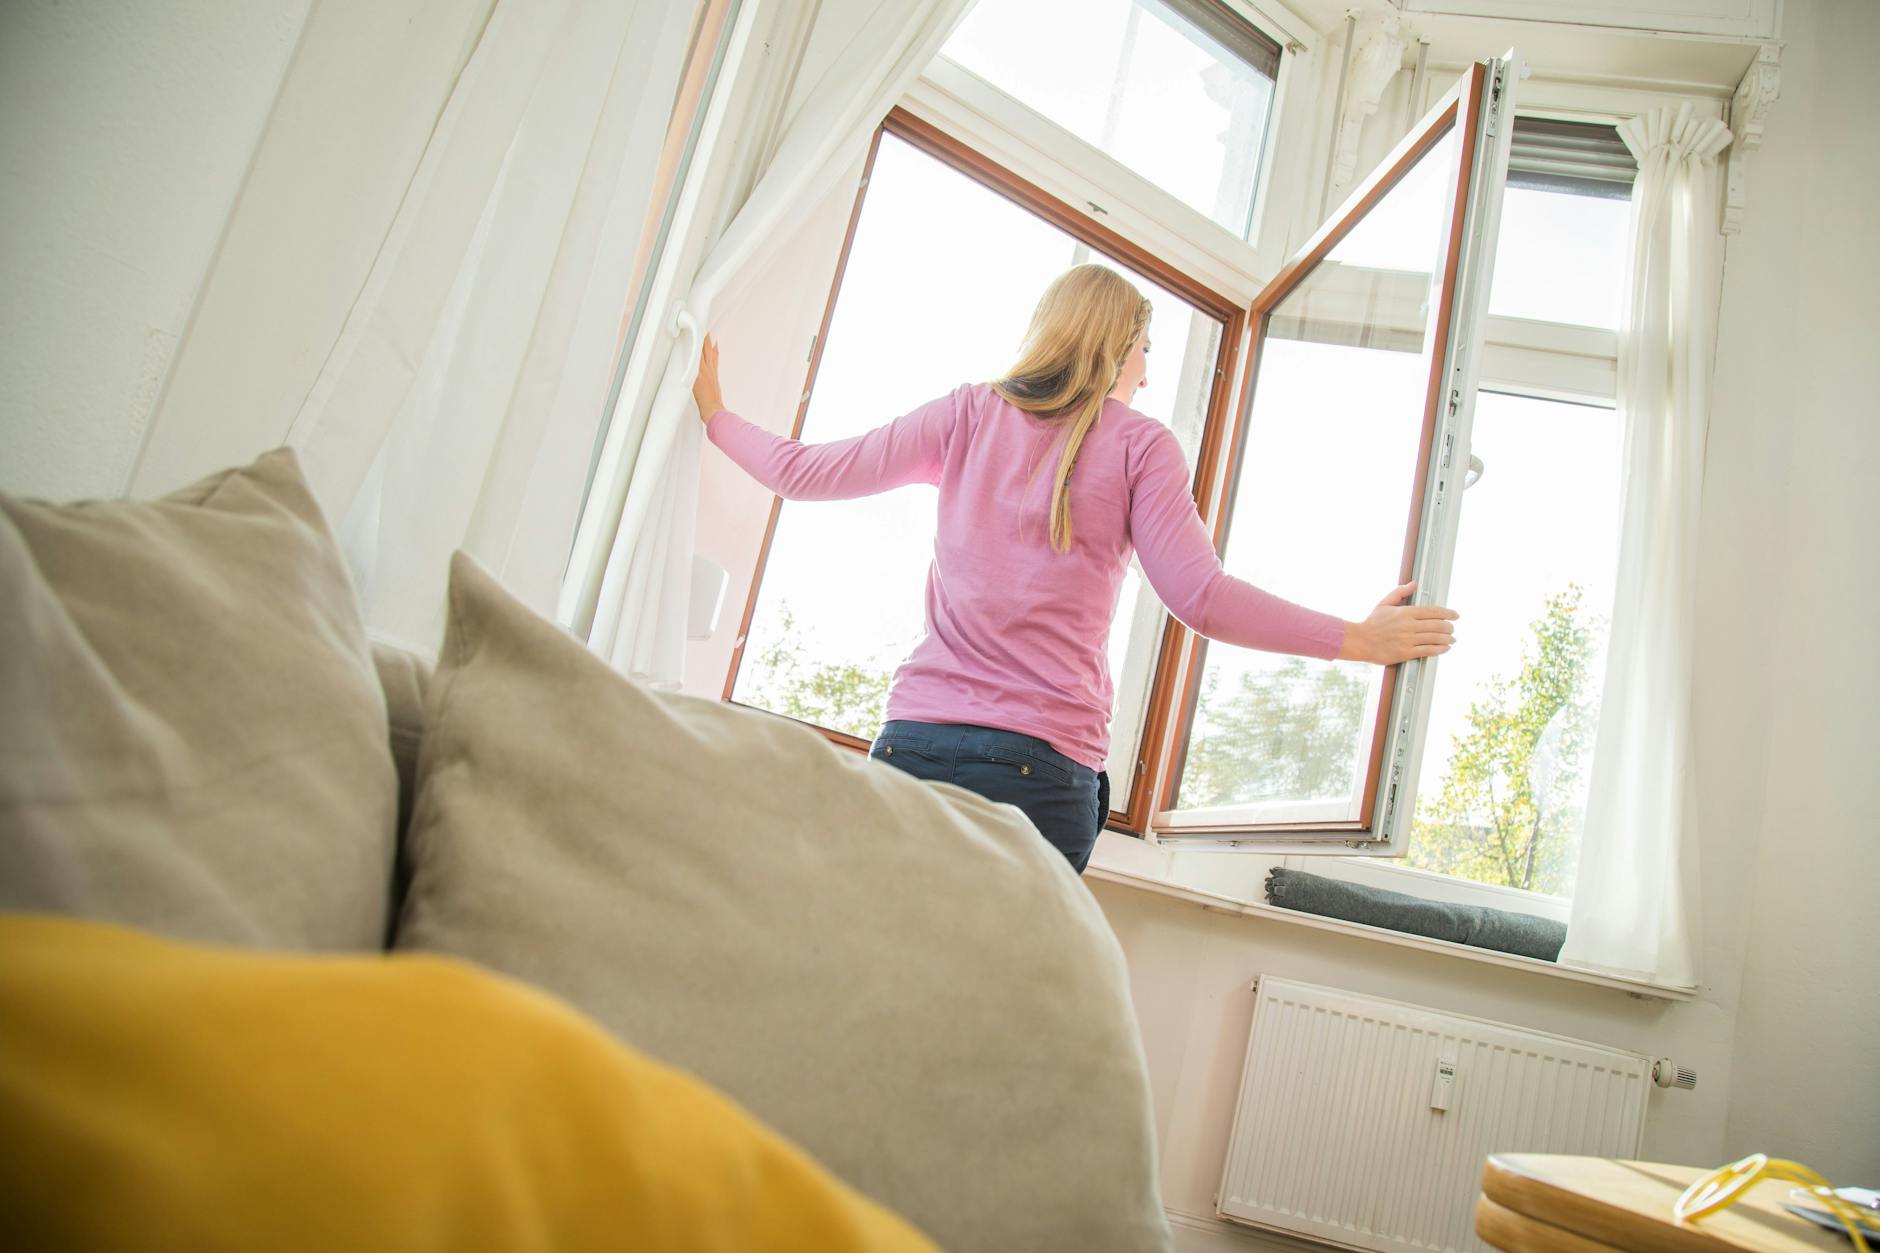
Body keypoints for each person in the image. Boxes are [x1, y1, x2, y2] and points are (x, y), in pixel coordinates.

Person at [692, 263, 1456, 876]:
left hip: (913, 749)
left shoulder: (966, 414)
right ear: (1118, 345)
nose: (1148, 376)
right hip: (1037, 771)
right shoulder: (1140, 445)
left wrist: (716, 415)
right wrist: (1358, 638)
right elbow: (1202, 598)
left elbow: (804, 473)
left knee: (875, 995)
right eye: (1146, 350)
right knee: (992, 1029)